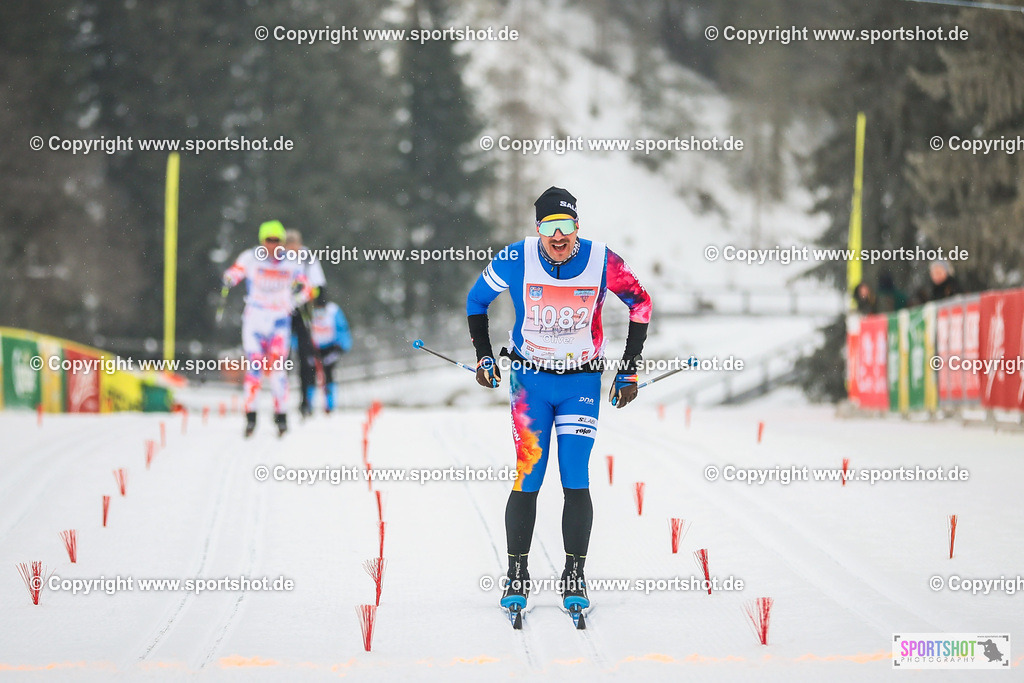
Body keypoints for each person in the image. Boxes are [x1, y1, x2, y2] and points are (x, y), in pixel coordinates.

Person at [466, 186, 652, 622]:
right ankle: (517, 574)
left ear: (577, 227)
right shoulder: (516, 258)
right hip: (530, 383)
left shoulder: (603, 260)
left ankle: (574, 575)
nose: (559, 236)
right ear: (538, 230)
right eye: (550, 228)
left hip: (580, 385)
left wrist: (629, 369)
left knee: (574, 476)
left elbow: (640, 303)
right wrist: (483, 355)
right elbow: (477, 300)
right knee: (528, 475)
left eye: (566, 226)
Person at [223, 220, 313, 437]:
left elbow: (307, 288)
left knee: (277, 370)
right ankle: (250, 417)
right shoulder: (251, 257)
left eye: (277, 241)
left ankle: (281, 417)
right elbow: (234, 272)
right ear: (262, 241)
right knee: (254, 370)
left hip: (279, 323)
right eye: (268, 240)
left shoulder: (292, 262)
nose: (273, 245)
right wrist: (230, 278)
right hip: (254, 321)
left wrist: (294, 301)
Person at [284, 229, 327, 418]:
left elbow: (319, 286)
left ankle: (306, 402)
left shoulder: (308, 257)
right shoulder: (278, 258)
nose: (293, 250)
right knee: (282, 358)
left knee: (306, 357)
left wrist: (312, 298)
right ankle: (282, 402)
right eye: (289, 247)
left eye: (295, 246)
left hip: (303, 312)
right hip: (283, 312)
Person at [308, 297, 353, 413]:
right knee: (309, 377)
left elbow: (342, 328)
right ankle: (308, 405)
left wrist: (341, 347)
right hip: (313, 348)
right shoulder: (308, 309)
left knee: (329, 376)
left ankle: (330, 405)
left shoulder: (333, 310)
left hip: (330, 348)